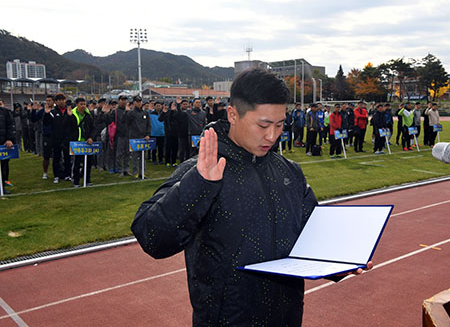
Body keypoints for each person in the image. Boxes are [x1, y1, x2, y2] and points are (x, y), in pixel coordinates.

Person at [131, 68, 370, 326]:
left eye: (280, 125)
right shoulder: (201, 169)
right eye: (263, 125)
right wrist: (199, 184)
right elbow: (152, 236)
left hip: (287, 318)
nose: (272, 136)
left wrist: (340, 262)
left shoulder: (288, 171)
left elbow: (310, 233)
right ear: (233, 115)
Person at [43, 93, 72, 183]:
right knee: (56, 157)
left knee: (67, 157)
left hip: (67, 138)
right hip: (56, 138)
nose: (61, 102)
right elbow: (46, 123)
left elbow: (72, 124)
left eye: (62, 100)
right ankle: (56, 175)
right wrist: (47, 114)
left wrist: (70, 116)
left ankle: (67, 174)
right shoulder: (53, 112)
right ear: (56, 102)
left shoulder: (69, 110)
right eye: (58, 100)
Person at [69, 98, 95, 187]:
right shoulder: (72, 114)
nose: (83, 106)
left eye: (84, 104)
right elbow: (67, 127)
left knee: (88, 163)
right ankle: (76, 181)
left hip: (87, 142)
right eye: (81, 104)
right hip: (77, 142)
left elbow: (93, 127)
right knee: (77, 163)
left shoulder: (88, 115)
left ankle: (87, 180)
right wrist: (68, 117)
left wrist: (91, 137)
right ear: (77, 105)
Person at [127, 96, 151, 179]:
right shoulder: (131, 113)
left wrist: (148, 134)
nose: (139, 103)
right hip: (134, 138)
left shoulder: (145, 113)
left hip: (144, 137)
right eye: (137, 102)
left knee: (143, 156)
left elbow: (149, 124)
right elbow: (126, 122)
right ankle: (135, 173)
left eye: (140, 101)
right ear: (134, 103)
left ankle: (142, 173)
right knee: (134, 157)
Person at [106, 95, 130, 176]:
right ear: (119, 100)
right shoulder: (115, 111)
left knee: (127, 153)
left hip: (127, 134)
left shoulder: (129, 110)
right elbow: (110, 121)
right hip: (119, 134)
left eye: (125, 100)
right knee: (118, 153)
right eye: (122, 100)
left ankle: (126, 169)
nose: (124, 101)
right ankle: (119, 169)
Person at [0, 100, 15, 194]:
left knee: (3, 166)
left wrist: (9, 139)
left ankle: (2, 187)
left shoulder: (5, 112)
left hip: (3, 143)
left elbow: (10, 126)